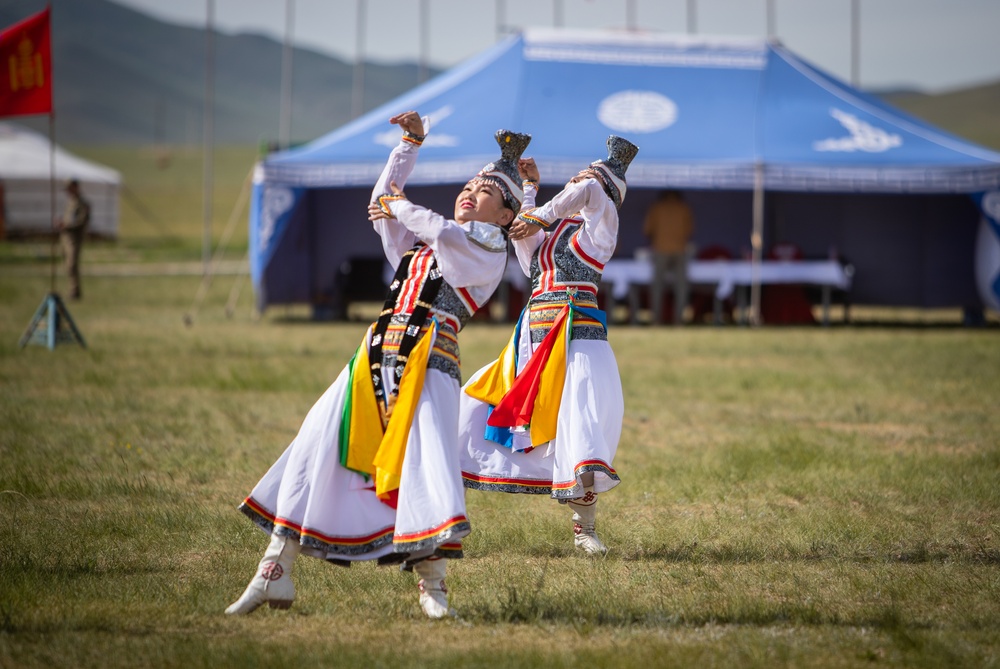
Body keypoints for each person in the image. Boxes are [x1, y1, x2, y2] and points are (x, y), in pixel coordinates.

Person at [225, 111, 532, 619]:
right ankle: (272, 573)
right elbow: (384, 203)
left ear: (505, 215)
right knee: (315, 445)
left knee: (424, 464)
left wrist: (401, 205)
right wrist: (409, 145)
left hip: (430, 362)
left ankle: (434, 591)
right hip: (373, 356)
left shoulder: (487, 248)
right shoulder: (420, 244)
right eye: (469, 186)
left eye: (485, 192)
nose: (470, 194)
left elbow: (440, 233)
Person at [458, 136, 638, 555]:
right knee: (475, 406)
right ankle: (445, 513)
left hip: (578, 339)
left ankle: (585, 527)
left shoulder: (601, 225)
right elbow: (525, 254)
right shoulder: (557, 229)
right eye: (576, 176)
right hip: (533, 337)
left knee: (580, 425)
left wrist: (540, 211)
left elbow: (588, 190)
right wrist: (531, 192)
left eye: (584, 178)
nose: (576, 182)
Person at [643, 189, 694, 325]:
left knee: (657, 286)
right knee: (681, 286)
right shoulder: (683, 208)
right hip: (680, 250)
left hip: (660, 249)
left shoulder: (657, 207)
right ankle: (679, 320)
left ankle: (656, 319)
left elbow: (647, 229)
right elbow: (689, 230)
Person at [55, 179, 91, 300]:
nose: (68, 192)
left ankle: (74, 291)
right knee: (67, 265)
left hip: (75, 239)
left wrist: (66, 225)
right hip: (65, 238)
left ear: (75, 187)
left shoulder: (83, 204)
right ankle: (71, 289)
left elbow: (81, 221)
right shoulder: (70, 202)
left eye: (70, 189)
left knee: (72, 265)